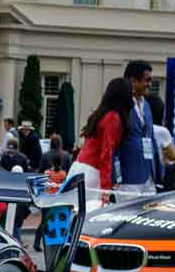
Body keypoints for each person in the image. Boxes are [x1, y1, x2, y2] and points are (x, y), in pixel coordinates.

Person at [66, 77, 133, 206]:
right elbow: (106, 154)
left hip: (79, 166)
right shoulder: (113, 117)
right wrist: (105, 189)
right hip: (93, 172)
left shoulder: (99, 114)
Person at [115, 60, 160, 196]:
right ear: (133, 81)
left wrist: (158, 171)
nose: (150, 84)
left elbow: (151, 138)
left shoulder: (147, 105)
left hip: (149, 177)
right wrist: (115, 177)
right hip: (128, 177)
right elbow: (112, 144)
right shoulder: (120, 106)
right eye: (147, 80)